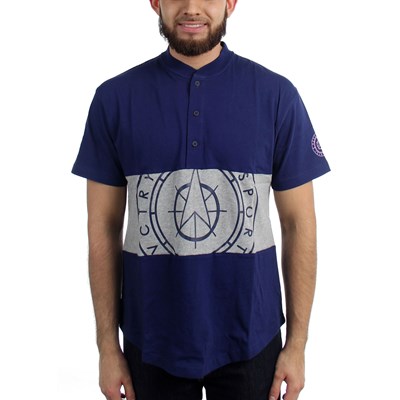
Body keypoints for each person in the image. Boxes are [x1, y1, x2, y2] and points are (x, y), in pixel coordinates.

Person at [72, 0, 330, 399]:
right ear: (155, 2)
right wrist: (107, 347)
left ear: (231, 3)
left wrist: (297, 345)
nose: (192, 8)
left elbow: (299, 224)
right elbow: (102, 229)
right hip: (150, 342)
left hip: (253, 338)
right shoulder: (113, 99)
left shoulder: (277, 96)